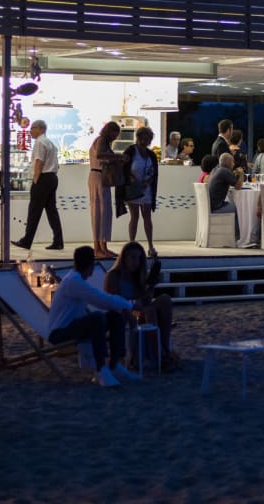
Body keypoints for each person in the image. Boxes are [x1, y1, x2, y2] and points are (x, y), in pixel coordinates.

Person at [46, 246, 137, 387]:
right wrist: (131, 304)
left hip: (71, 327)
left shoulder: (74, 279)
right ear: (91, 267)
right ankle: (101, 369)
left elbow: (102, 300)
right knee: (97, 318)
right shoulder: (74, 282)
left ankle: (114, 365)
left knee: (115, 317)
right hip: (59, 333)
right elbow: (101, 299)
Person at [104, 242, 175, 370]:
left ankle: (165, 349)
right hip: (124, 313)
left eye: (139, 258)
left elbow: (145, 300)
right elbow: (113, 303)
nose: (136, 262)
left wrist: (151, 286)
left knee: (165, 299)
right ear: (124, 258)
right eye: (133, 257)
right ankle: (161, 356)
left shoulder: (137, 276)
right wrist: (136, 305)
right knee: (148, 311)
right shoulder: (113, 276)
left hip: (138, 310)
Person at [12, 120, 64, 251]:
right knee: (51, 211)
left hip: (43, 178)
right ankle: (58, 241)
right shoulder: (50, 143)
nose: (30, 131)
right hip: (52, 177)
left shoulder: (40, 142)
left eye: (32, 128)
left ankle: (27, 240)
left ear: (40, 129)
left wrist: (35, 179)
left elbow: (39, 162)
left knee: (34, 211)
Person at [118, 126, 158, 257]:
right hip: (133, 188)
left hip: (147, 189)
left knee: (147, 216)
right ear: (138, 137)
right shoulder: (130, 151)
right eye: (143, 138)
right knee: (134, 216)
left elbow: (154, 173)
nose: (145, 141)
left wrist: (148, 182)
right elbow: (123, 168)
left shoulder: (151, 154)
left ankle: (150, 246)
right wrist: (131, 179)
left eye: (148, 139)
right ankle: (131, 244)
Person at [89, 121, 123, 259]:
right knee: (99, 212)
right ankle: (97, 247)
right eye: (115, 134)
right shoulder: (101, 140)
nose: (115, 137)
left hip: (101, 178)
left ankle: (103, 247)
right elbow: (100, 155)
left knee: (105, 212)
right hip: (98, 177)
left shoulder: (104, 142)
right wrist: (118, 157)